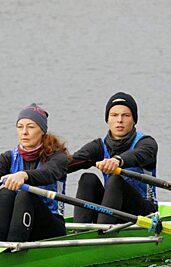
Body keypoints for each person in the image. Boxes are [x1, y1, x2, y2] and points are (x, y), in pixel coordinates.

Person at [0, 103, 70, 245]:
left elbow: (47, 173)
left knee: (26, 194)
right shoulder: (8, 157)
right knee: (5, 192)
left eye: (30, 127)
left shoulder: (58, 157)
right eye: (20, 127)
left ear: (42, 130)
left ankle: (11, 250)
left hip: (51, 228)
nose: (24, 132)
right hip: (22, 224)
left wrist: (23, 175)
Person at [68, 92, 158, 224]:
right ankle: (80, 229)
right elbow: (69, 163)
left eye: (126, 115)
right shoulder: (98, 146)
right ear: (107, 120)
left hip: (144, 212)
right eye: (114, 115)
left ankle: (103, 230)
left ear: (134, 120)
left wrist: (117, 160)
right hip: (113, 208)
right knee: (87, 179)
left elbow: (137, 155)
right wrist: (35, 172)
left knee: (116, 180)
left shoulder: (146, 143)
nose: (119, 120)